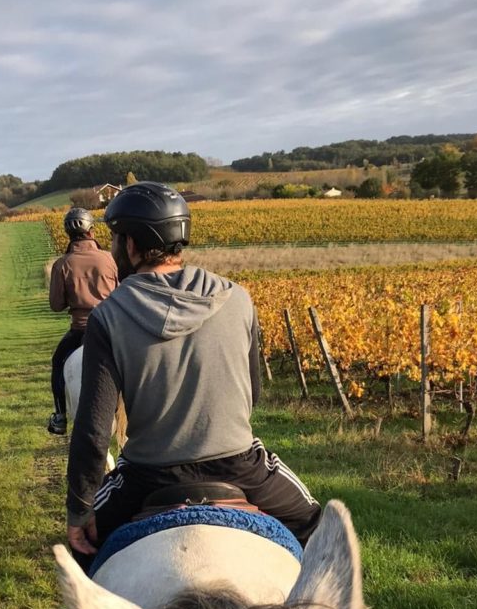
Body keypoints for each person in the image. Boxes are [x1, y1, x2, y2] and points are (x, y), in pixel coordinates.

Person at [65, 181, 321, 562]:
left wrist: (79, 509)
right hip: (241, 465)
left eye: (115, 238)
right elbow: (254, 393)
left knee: (82, 550)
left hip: (147, 476)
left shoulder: (108, 317)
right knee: (316, 525)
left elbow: (93, 429)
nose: (114, 248)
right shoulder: (237, 297)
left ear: (131, 245)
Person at [47, 207, 118, 435]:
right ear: (92, 231)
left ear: (68, 234)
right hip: (112, 329)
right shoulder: (110, 258)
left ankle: (60, 416)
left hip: (80, 331)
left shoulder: (62, 264)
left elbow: (56, 305)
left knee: (58, 363)